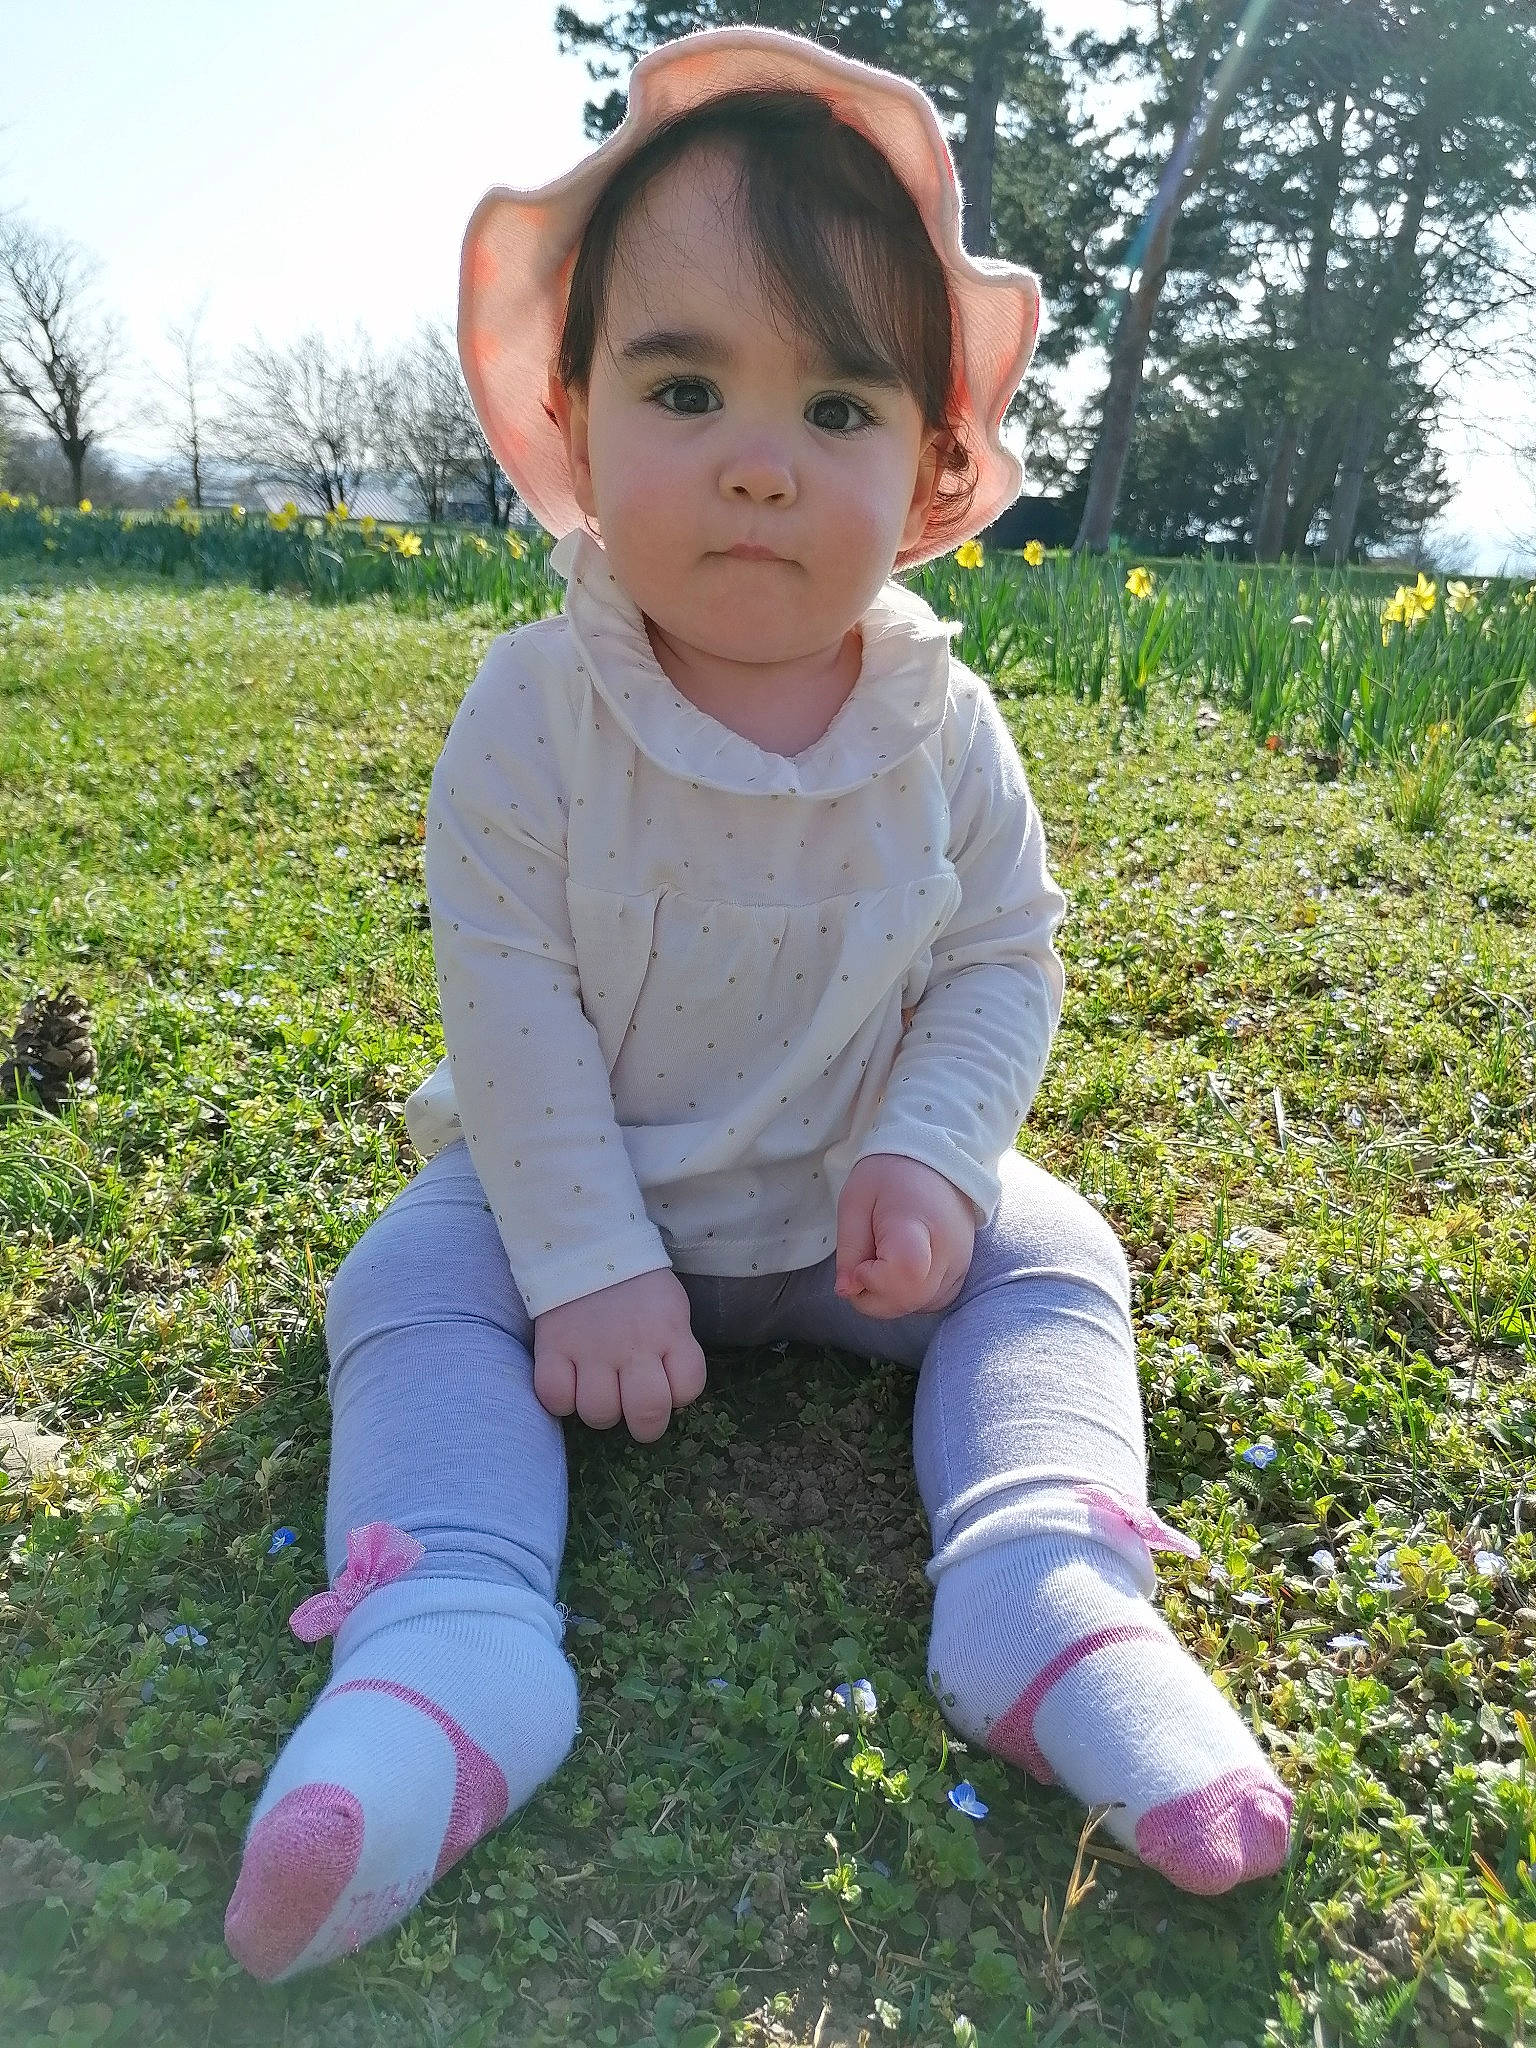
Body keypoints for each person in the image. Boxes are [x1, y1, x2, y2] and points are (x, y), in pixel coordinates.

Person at [223, 25, 1293, 1984]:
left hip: (846, 1217)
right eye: (687, 383)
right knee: (402, 1280)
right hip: (575, 1211)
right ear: (569, 410)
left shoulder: (942, 728)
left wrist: (935, 1150)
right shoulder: (531, 716)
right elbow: (514, 1003)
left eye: (834, 406)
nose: (752, 455)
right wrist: (588, 1258)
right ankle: (448, 1642)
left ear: (935, 468)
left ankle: (1044, 1588)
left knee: (1059, 1259)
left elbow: (998, 959)